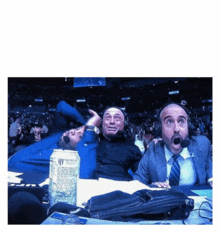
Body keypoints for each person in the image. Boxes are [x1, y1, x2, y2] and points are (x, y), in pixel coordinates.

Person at [8, 101, 101, 181]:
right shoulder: (57, 133)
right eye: (76, 129)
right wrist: (85, 125)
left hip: (12, 176)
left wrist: (90, 130)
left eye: (80, 136)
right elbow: (61, 105)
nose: (73, 131)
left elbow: (84, 174)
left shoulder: (70, 160)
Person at [133, 102, 212, 188]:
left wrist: (212, 179)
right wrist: (151, 188)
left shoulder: (202, 144)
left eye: (181, 121)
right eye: (169, 122)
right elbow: (137, 185)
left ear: (188, 126)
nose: (177, 129)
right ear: (160, 129)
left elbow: (209, 167)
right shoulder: (153, 150)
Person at [92, 106, 143, 181]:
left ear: (124, 124)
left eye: (117, 118)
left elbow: (143, 177)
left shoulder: (132, 149)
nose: (112, 122)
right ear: (102, 123)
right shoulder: (90, 143)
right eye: (108, 118)